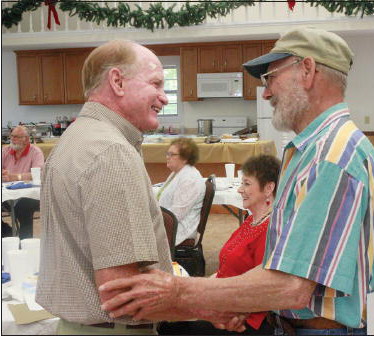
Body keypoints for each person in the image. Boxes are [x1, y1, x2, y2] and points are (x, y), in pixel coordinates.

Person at [99, 28, 374, 336]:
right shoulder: (315, 149)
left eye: (271, 78)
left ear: (307, 71)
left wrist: (177, 291)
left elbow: (292, 286)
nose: (266, 92)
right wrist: (232, 300)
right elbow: (283, 262)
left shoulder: (331, 157)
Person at [35, 40, 239, 335]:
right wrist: (207, 307)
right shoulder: (110, 152)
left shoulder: (76, 138)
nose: (165, 97)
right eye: (156, 84)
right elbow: (123, 296)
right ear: (117, 81)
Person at [158, 154, 280, 335]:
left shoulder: (269, 229)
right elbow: (226, 271)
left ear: (269, 188)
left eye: (246, 184)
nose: (240, 190)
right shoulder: (251, 221)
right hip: (226, 305)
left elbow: (261, 290)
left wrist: (207, 300)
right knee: (166, 315)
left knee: (170, 326)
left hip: (244, 321)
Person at [157, 137, 205, 245]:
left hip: (179, 232)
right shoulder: (178, 172)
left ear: (185, 158)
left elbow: (175, 215)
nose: (167, 157)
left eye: (172, 155)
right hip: (169, 225)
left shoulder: (189, 179)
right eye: (167, 154)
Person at [1, 125, 44, 239]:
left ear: (26, 139)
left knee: (24, 209)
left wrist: (15, 177)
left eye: (17, 137)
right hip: (7, 193)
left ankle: (25, 242)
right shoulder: (5, 151)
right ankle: (9, 234)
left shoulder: (35, 152)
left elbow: (38, 174)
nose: (13, 139)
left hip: (29, 194)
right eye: (12, 136)